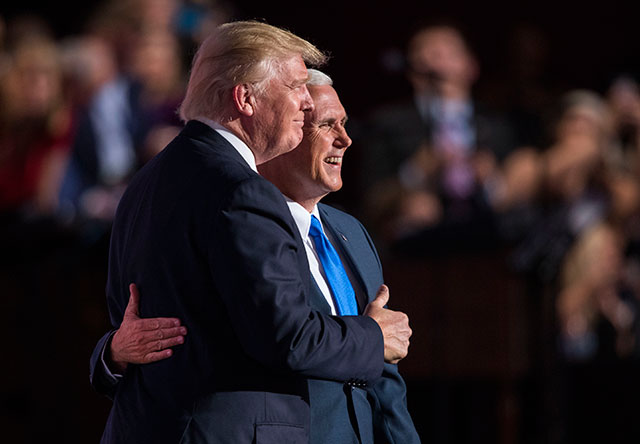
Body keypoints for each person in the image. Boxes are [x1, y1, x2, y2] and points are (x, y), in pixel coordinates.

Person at [93, 21, 411, 444]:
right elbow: (288, 336)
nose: (304, 103)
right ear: (245, 98)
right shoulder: (242, 191)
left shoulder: (145, 182)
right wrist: (374, 337)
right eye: (296, 87)